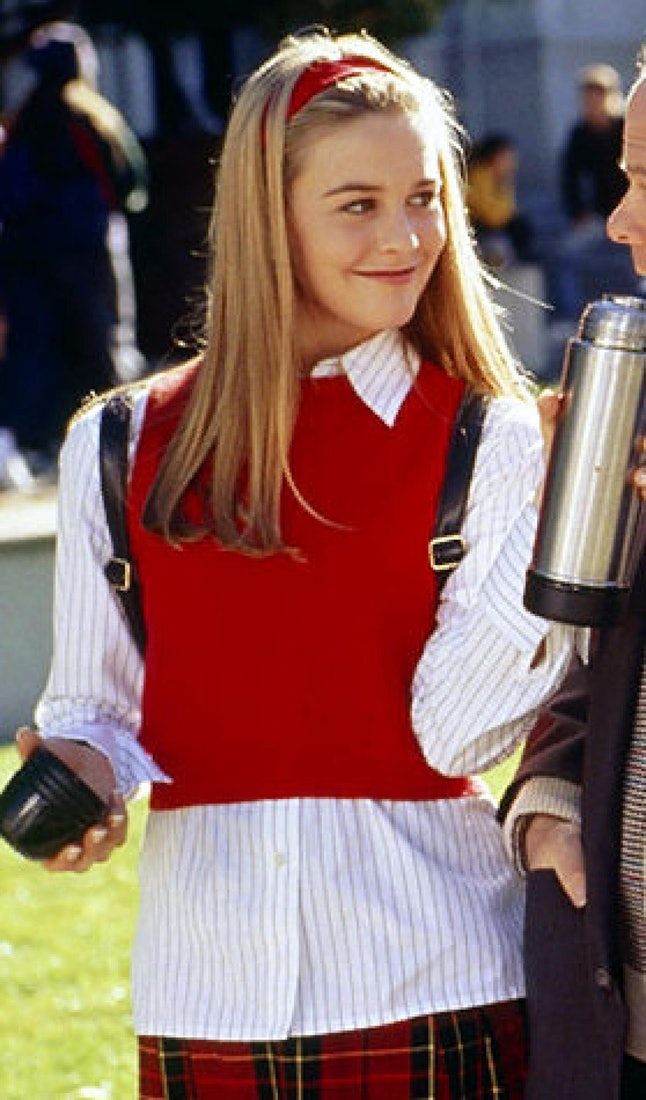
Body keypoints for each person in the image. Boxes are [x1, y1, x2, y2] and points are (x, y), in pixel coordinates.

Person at [13, 29, 578, 1099]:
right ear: (268, 222)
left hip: (434, 973)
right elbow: (96, 706)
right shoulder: (120, 443)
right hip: (201, 986)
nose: (406, 237)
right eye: (357, 204)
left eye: (422, 198)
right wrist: (80, 774)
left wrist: (552, 528)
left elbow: (454, 733)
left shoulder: (487, 437)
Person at [500, 50, 646, 1100]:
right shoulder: (632, 391)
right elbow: (582, 667)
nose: (618, 223)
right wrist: (549, 805)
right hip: (621, 1020)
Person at [0, 21, 148, 480]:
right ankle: (118, 444)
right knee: (103, 341)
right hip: (91, 251)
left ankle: (34, 445)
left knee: (40, 347)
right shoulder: (92, 117)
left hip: (30, 256)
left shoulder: (23, 122)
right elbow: (132, 183)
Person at [554, 62, 638, 318]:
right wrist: (578, 213)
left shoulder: (626, 130)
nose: (591, 105)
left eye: (597, 98)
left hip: (632, 215)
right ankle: (575, 315)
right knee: (566, 258)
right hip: (597, 217)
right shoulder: (580, 135)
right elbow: (569, 179)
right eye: (587, 99)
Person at [466, 132, 535, 270]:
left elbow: (509, 210)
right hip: (478, 228)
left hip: (493, 226)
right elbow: (492, 215)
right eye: (507, 158)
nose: (512, 164)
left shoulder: (501, 179)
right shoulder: (479, 176)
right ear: (495, 158)